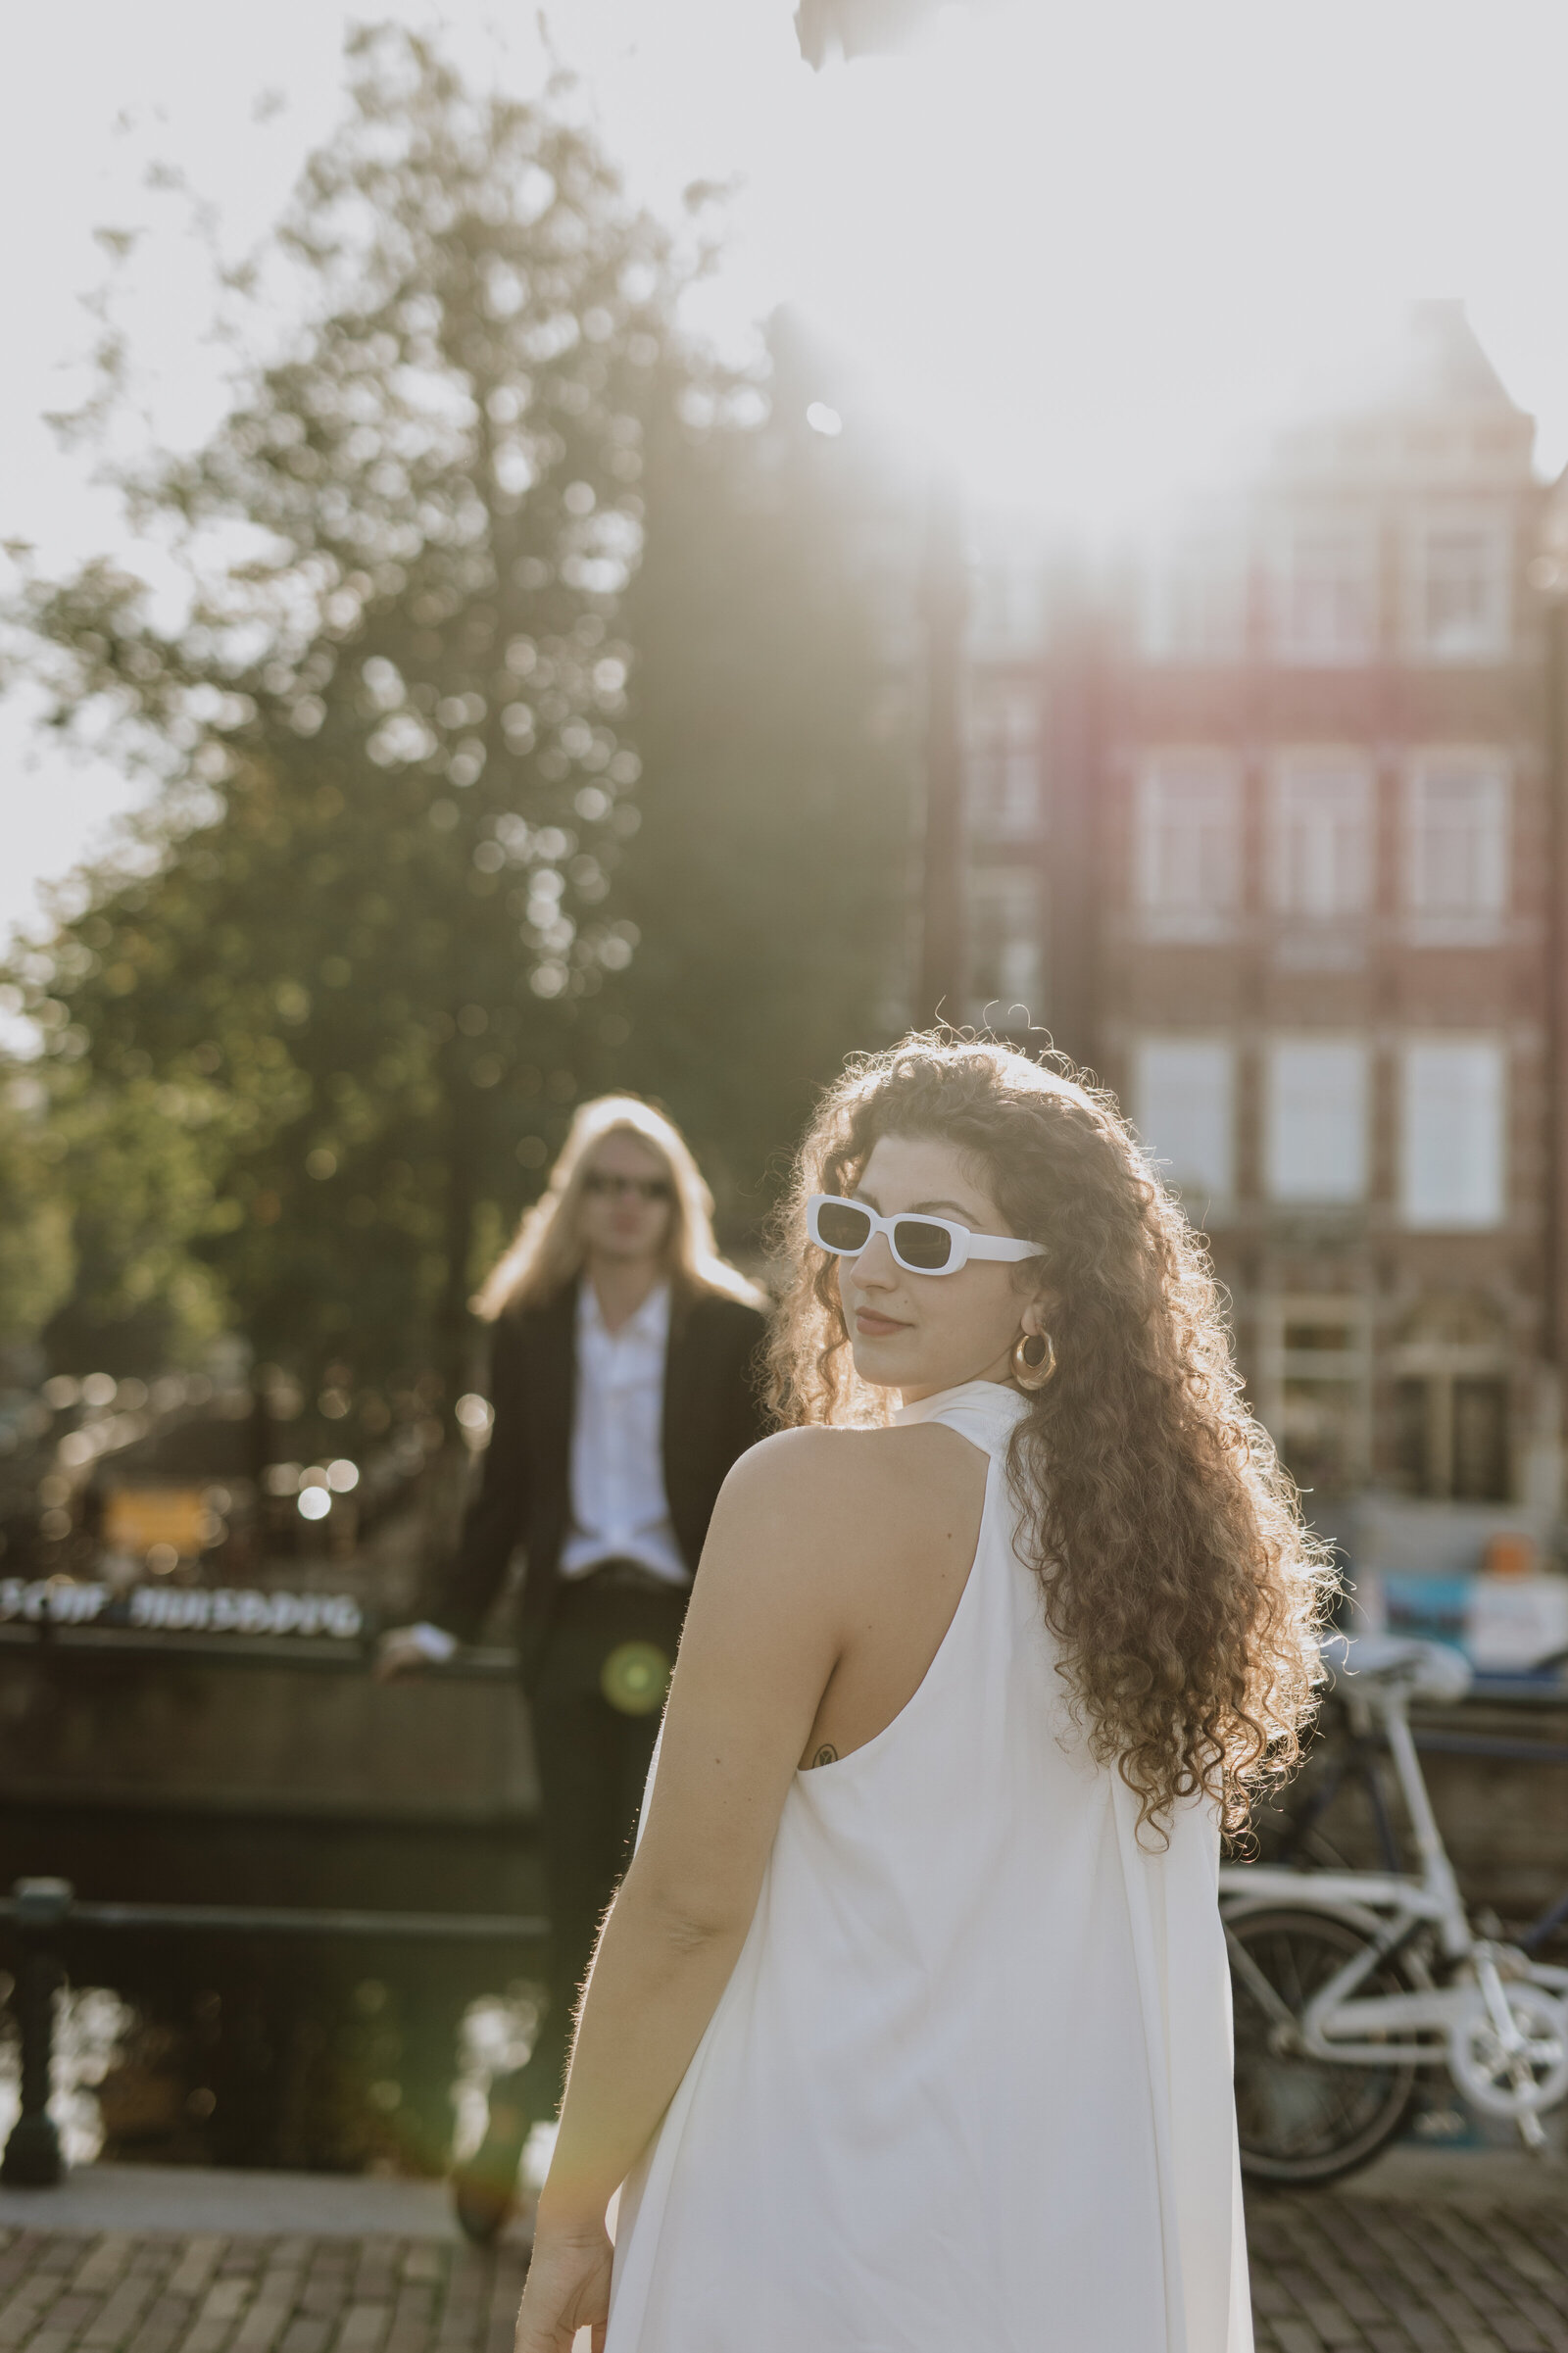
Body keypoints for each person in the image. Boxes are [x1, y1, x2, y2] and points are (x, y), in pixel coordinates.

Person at [514, 1033, 1330, 2353]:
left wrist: (568, 2217)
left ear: (1046, 1292)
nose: (870, 1268)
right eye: (853, 1220)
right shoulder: (1176, 1551)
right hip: (1070, 2250)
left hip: (807, 2218)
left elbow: (682, 1908)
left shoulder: (808, 1497)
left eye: (935, 1238)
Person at [377, 1095, 768, 2243]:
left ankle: (594, 2158)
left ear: (675, 1203)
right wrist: (445, 1626)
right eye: (605, 1182)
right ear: (575, 1198)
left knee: (679, 1907)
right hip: (569, 1637)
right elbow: (504, 1492)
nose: (626, 1205)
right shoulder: (532, 1321)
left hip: (692, 1636)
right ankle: (526, 2134)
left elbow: (761, 1496)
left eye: (647, 1185)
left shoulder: (728, 1324)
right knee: (579, 1910)